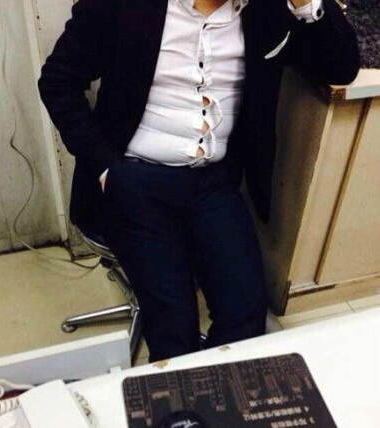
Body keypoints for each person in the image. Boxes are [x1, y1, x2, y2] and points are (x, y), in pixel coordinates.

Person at [38, 0, 359, 362]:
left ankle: (218, 383)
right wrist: (106, 170)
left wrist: (305, 4)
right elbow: (58, 81)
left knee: (247, 318)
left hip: (215, 183)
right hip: (136, 178)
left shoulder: (267, 10)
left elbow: (343, 65)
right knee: (174, 334)